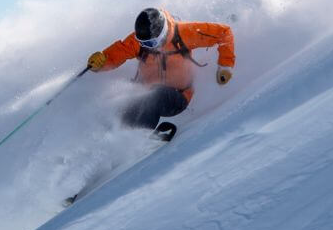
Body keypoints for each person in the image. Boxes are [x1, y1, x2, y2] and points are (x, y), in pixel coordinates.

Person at [86, 7, 235, 141]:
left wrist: (225, 66)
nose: (146, 46)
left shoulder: (185, 33)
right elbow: (118, 53)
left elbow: (224, 33)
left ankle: (139, 138)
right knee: (120, 102)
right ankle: (106, 144)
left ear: (162, 34)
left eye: (150, 43)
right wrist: (101, 62)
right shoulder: (140, 40)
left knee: (154, 95)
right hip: (144, 92)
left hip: (177, 97)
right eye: (143, 43)